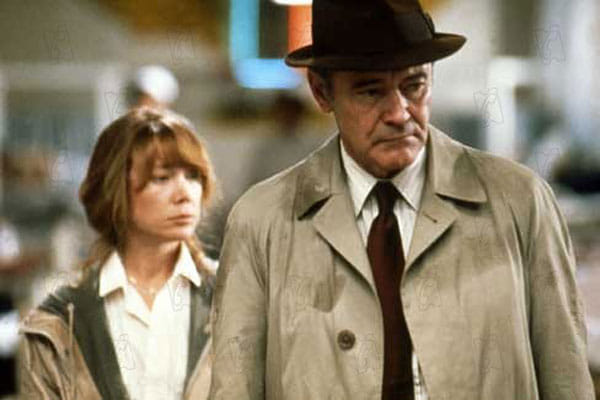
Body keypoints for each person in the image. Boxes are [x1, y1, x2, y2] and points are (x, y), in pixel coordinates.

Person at [209, 0, 595, 399]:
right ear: (322, 92)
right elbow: (234, 388)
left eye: (414, 86)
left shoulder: (519, 202)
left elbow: (567, 379)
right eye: (370, 91)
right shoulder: (262, 222)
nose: (398, 112)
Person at [19, 107, 217, 399]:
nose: (185, 194)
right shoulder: (59, 319)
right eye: (162, 178)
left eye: (193, 176)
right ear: (115, 188)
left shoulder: (234, 298)